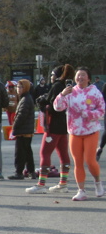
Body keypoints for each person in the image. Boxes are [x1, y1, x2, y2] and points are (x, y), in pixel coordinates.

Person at [53, 67, 105, 200]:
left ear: (88, 78)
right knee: (78, 162)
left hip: (91, 131)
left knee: (90, 160)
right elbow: (58, 107)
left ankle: (98, 183)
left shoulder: (94, 92)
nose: (80, 77)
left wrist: (89, 114)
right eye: (78, 75)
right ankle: (81, 191)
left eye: (83, 75)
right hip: (74, 132)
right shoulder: (70, 92)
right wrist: (62, 94)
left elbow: (102, 111)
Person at [27, 65, 74, 194]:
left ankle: (41, 184)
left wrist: (43, 103)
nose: (51, 77)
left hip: (53, 125)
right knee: (63, 154)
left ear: (57, 75)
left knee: (45, 153)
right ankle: (63, 183)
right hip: (64, 125)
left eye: (52, 74)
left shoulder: (57, 86)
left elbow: (53, 106)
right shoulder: (68, 87)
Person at [9, 79, 36, 180]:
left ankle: (19, 172)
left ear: (26, 88)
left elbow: (21, 115)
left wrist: (14, 127)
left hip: (23, 130)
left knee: (20, 152)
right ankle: (31, 171)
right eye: (17, 87)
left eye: (20, 87)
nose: (18, 89)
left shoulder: (25, 99)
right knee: (27, 151)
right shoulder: (25, 98)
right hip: (26, 130)